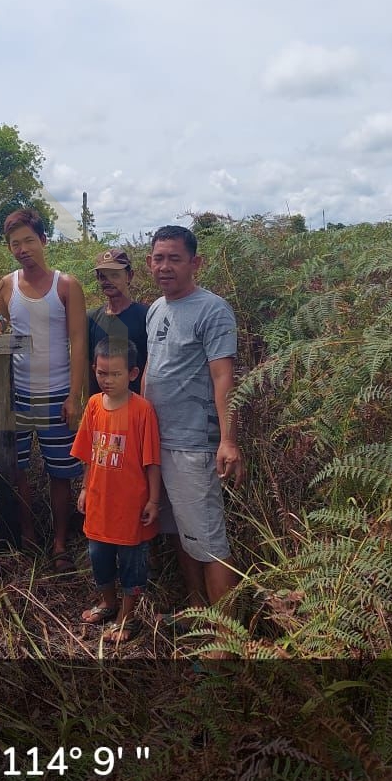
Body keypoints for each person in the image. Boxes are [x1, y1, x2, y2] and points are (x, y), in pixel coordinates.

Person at [142, 224, 243, 608]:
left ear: (195, 263)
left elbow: (223, 378)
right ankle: (199, 612)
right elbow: (151, 368)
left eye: (175, 259)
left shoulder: (212, 309)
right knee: (180, 534)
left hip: (193, 444)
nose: (165, 267)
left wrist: (228, 440)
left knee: (209, 542)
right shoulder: (156, 309)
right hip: (158, 441)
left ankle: (226, 636)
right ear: (149, 262)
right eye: (158, 259)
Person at [0, 208, 87, 568]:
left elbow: (78, 342)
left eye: (29, 240)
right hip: (19, 396)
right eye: (16, 243)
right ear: (9, 248)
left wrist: (74, 396)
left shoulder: (67, 285)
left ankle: (59, 543)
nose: (23, 249)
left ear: (43, 240)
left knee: (61, 473)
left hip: (57, 394)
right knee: (18, 470)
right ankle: (27, 535)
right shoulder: (7, 285)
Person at [71, 338, 161, 643]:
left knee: (133, 563)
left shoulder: (142, 410)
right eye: (101, 373)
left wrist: (153, 500)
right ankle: (108, 603)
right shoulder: (94, 405)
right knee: (99, 558)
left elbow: (152, 461)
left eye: (115, 374)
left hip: (131, 509)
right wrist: (85, 489)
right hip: (99, 504)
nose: (107, 380)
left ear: (133, 373)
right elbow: (87, 454)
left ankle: (127, 616)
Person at [87, 247, 149, 396]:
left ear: (129, 276)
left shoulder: (146, 316)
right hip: (101, 405)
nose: (108, 281)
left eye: (114, 275)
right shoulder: (92, 318)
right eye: (103, 276)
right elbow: (88, 366)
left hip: (136, 403)